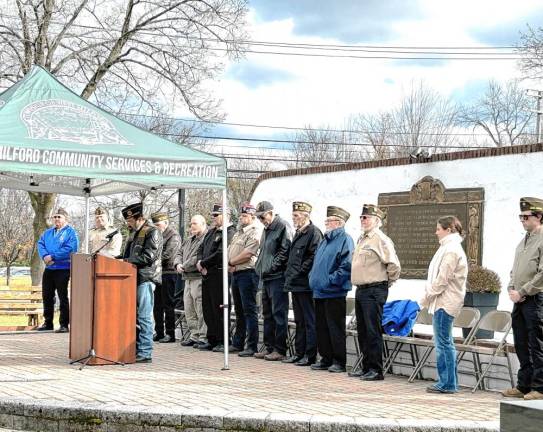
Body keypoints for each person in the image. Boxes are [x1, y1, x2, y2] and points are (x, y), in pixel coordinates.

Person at [349, 204, 401, 381]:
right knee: (363, 330)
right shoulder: (362, 239)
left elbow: (393, 265)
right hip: (361, 289)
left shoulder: (380, 239)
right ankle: (366, 367)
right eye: (362, 217)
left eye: (367, 217)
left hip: (374, 289)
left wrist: (385, 284)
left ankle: (376, 369)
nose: (363, 220)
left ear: (377, 221)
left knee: (372, 330)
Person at [420, 216, 467, 394]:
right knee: (445, 343)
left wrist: (427, 296)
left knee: (443, 344)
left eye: (439, 228)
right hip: (444, 300)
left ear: (449, 230)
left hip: (445, 302)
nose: (436, 232)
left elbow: (442, 279)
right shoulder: (449, 247)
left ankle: (447, 383)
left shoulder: (451, 250)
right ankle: (450, 382)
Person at [502, 197, 543, 401]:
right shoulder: (523, 241)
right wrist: (511, 286)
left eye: (526, 216)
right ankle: (524, 384)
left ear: (539, 216)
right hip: (519, 299)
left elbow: (542, 274)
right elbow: (515, 269)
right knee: (521, 343)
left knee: (537, 344)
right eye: (521, 216)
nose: (522, 220)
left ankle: (540, 388)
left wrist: (523, 291)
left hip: (535, 299)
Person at [309, 206, 353, 373]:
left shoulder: (345, 239)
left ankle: (338, 361)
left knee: (335, 328)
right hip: (319, 291)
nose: (326, 223)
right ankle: (325, 358)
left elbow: (346, 265)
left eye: (330, 221)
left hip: (334, 291)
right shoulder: (324, 240)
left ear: (339, 223)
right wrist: (313, 279)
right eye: (326, 220)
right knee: (321, 327)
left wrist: (330, 281)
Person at [121, 202, 163, 363]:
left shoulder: (152, 232)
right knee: (135, 316)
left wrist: (126, 261)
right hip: (133, 278)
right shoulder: (134, 233)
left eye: (130, 221)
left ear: (139, 218)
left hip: (146, 278)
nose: (128, 223)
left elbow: (149, 257)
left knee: (144, 316)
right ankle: (136, 347)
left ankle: (145, 351)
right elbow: (128, 255)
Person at [283, 201, 322, 366]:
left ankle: (309, 354)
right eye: (293, 215)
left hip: (305, 284)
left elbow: (313, 257)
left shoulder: (313, 232)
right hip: (295, 283)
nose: (294, 218)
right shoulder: (298, 232)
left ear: (306, 216)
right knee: (299, 320)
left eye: (296, 215)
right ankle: (299, 353)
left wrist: (299, 271)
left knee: (309, 320)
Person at [254, 201, 292, 361]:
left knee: (278, 313)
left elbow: (285, 250)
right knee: (267, 313)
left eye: (262, 217)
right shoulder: (267, 229)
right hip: (267, 277)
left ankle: (280, 348)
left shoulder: (282, 226)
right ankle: (269, 347)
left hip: (277, 277)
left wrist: (272, 267)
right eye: (259, 218)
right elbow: (264, 251)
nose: (261, 220)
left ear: (271, 213)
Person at [196, 204, 235, 352]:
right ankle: (211, 338)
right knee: (208, 308)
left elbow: (221, 253)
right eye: (212, 215)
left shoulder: (229, 232)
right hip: (206, 273)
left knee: (219, 308)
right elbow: (201, 248)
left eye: (216, 215)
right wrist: (199, 262)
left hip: (219, 274)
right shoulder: (211, 232)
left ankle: (222, 339)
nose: (213, 218)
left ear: (226, 215)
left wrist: (204, 263)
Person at [227, 202, 262, 357]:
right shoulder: (238, 232)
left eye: (245, 216)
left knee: (249, 310)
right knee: (239, 310)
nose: (242, 218)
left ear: (252, 217)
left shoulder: (255, 231)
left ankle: (251, 345)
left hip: (248, 273)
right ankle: (238, 342)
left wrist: (231, 262)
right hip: (236, 273)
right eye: (241, 215)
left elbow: (249, 253)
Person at [36, 207, 79, 332]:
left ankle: (64, 324)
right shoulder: (48, 233)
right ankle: (48, 322)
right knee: (47, 295)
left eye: (59, 217)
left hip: (63, 268)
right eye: (54, 217)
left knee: (62, 296)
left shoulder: (71, 233)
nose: (56, 219)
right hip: (49, 268)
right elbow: (40, 244)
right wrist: (45, 256)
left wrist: (53, 256)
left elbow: (71, 248)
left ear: (65, 218)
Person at [175, 215, 208, 348]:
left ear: (203, 224)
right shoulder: (188, 240)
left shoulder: (206, 238)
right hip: (186, 278)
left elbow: (197, 257)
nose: (191, 226)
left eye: (194, 224)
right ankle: (194, 335)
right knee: (189, 308)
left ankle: (203, 336)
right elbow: (178, 253)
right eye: (191, 224)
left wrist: (184, 265)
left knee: (199, 307)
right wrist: (177, 264)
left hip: (198, 277)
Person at [151, 212, 181, 343]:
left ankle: (170, 333)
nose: (157, 227)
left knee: (168, 304)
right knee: (157, 305)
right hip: (158, 273)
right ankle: (159, 332)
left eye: (158, 225)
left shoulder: (173, 235)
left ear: (166, 223)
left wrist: (152, 260)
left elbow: (168, 254)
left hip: (169, 273)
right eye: (155, 225)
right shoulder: (157, 235)